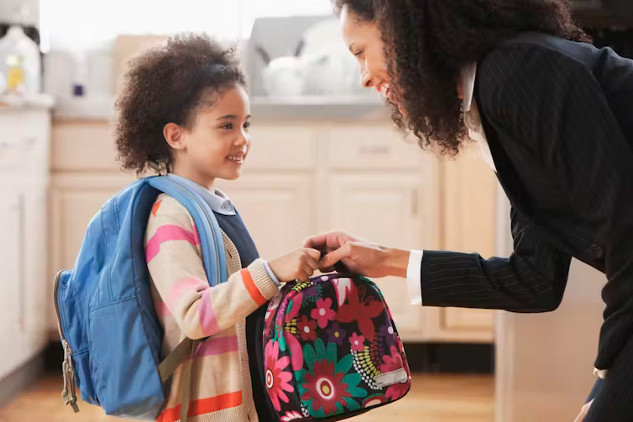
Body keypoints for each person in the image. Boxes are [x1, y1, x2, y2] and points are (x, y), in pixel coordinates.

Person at [304, 1, 633, 420]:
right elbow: (534, 279)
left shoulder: (519, 74)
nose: (364, 77)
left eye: (360, 52)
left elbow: (627, 239)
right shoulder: (495, 95)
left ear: (402, 32)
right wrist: (384, 260)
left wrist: (608, 374)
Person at [115, 33, 321, 422]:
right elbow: (194, 314)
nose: (242, 139)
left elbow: (240, 297)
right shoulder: (170, 217)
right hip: (207, 407)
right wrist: (273, 270)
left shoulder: (215, 206)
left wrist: (291, 275)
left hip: (240, 391)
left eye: (246, 124)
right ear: (176, 135)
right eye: (226, 126)